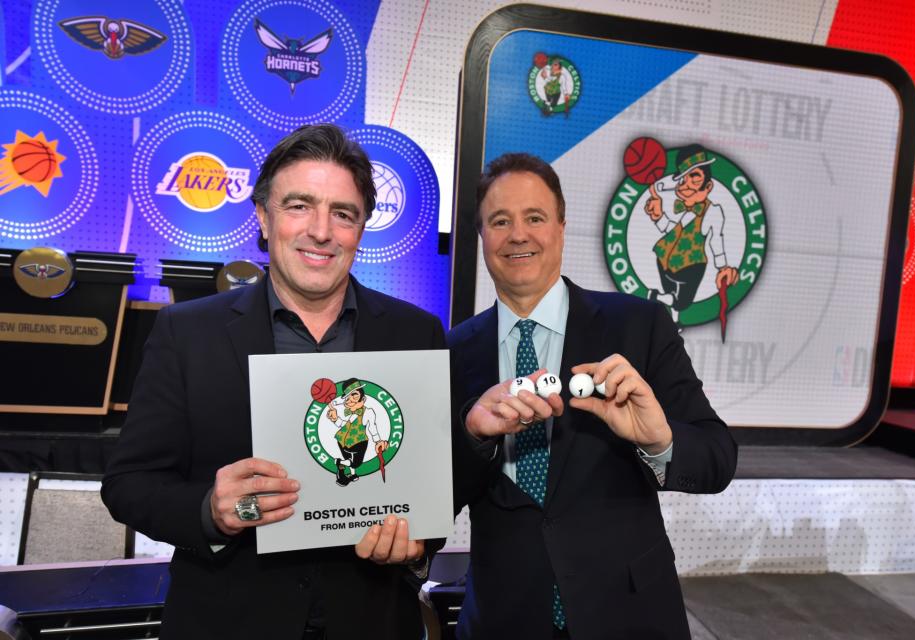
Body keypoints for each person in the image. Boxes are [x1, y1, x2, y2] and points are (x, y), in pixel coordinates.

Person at [102, 124, 445, 640]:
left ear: (361, 228)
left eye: (343, 214)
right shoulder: (186, 332)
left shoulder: (416, 333)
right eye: (299, 206)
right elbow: (128, 486)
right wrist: (210, 511)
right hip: (227, 624)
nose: (321, 231)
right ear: (263, 217)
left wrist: (418, 547)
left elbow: (430, 491)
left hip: (371, 623)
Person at [448, 153, 738, 639]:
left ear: (561, 228)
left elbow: (717, 457)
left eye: (535, 218)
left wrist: (659, 441)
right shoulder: (455, 350)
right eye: (500, 221)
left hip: (630, 615)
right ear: (482, 238)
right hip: (504, 619)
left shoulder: (638, 326)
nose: (518, 234)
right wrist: (474, 436)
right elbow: (442, 491)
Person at [644, 144, 740, 323]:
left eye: (694, 177)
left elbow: (715, 240)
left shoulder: (713, 211)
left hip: (689, 265)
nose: (686, 185)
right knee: (677, 300)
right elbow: (671, 231)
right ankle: (670, 318)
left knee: (681, 302)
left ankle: (660, 302)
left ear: (708, 185)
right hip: (664, 259)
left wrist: (722, 266)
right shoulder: (684, 210)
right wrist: (658, 216)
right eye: (682, 180)